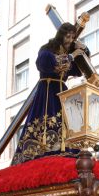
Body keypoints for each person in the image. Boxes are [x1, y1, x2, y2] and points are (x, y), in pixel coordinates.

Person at [12, 23, 89, 165]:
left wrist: (84, 50)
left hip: (62, 92)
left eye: (72, 37)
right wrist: (71, 56)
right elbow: (46, 63)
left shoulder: (68, 52)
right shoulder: (47, 49)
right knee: (45, 120)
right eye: (67, 36)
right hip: (47, 90)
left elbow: (78, 70)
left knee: (68, 125)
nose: (70, 40)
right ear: (61, 35)